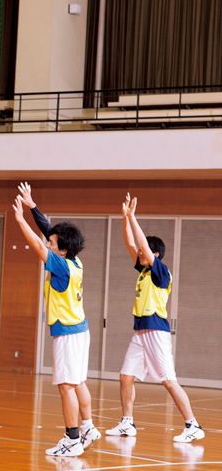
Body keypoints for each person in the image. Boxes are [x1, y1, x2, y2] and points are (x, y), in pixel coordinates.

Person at [106, 194, 204, 443]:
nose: (139, 254)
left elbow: (141, 245)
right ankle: (127, 423)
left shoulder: (161, 272)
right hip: (140, 332)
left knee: (169, 381)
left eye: (144, 252)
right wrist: (125, 218)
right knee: (126, 376)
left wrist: (134, 217)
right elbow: (130, 243)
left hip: (156, 331)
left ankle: (192, 425)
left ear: (155, 254)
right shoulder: (144, 271)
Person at [14, 182, 100, 457]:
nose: (48, 243)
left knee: (66, 387)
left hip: (67, 333)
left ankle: (72, 439)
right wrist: (32, 206)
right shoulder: (74, 260)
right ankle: (88, 429)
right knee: (77, 383)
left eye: (53, 244)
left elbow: (39, 245)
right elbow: (48, 233)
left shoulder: (61, 266)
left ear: (60, 251)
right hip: (80, 331)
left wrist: (19, 219)